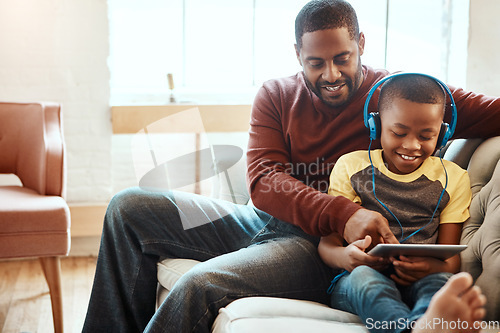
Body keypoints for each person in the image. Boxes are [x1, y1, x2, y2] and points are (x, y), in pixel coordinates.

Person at [83, 1, 500, 332]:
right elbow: (264, 182)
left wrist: (342, 222)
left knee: (200, 285)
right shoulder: (276, 95)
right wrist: (347, 212)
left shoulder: (395, 99)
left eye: (343, 58)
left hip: (313, 247)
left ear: (362, 45)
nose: (331, 74)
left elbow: (490, 111)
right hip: (262, 219)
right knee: (128, 208)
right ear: (297, 53)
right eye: (316, 62)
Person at [318, 73, 485, 332]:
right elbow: (327, 246)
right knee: (366, 280)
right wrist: (345, 258)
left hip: (421, 279)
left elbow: (451, 260)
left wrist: (431, 267)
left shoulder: (454, 178)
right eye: (398, 132)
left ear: (442, 134)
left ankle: (425, 325)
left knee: (441, 283)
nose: (411, 145)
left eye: (426, 136)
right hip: (357, 280)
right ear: (376, 125)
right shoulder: (351, 166)